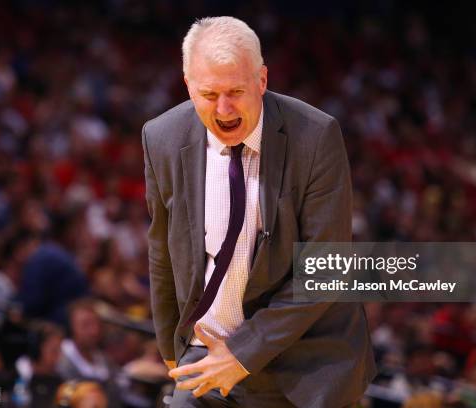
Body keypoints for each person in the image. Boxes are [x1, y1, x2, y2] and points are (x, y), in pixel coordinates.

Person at [143, 16, 376, 408]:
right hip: (207, 358)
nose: (224, 108)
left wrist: (244, 353)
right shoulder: (162, 137)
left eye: (236, 91)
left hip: (301, 367)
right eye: (209, 94)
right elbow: (162, 250)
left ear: (262, 81)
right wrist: (172, 346)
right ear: (187, 85)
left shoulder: (315, 136)